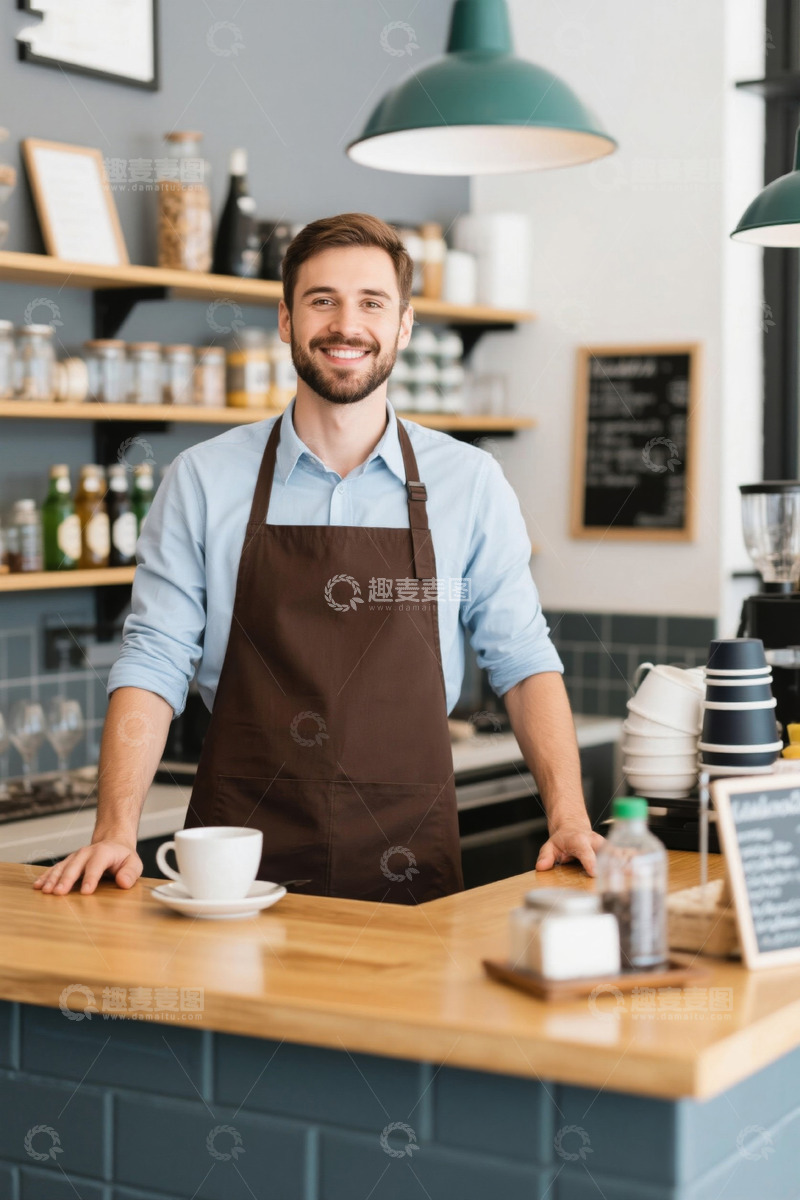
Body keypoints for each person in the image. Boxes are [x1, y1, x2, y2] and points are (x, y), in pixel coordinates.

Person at [34, 212, 603, 901]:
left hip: (408, 856)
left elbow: (523, 661)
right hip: (235, 864)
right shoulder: (203, 479)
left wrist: (568, 817)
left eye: (372, 302)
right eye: (322, 300)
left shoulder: (470, 482)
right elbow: (154, 659)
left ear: (404, 325)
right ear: (285, 319)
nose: (346, 325)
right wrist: (115, 829)